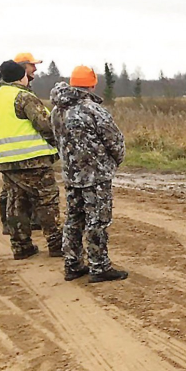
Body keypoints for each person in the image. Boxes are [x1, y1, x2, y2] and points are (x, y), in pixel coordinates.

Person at [50, 66, 128, 282]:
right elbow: (115, 141)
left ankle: (73, 264)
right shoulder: (93, 110)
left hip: (71, 175)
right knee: (98, 221)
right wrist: (113, 161)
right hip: (96, 176)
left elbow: (53, 138)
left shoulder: (57, 110)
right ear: (92, 84)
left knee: (74, 219)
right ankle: (99, 267)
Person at [0, 60, 62, 260]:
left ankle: (21, 246)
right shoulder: (24, 97)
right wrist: (58, 144)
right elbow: (45, 125)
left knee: (16, 202)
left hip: (6, 160)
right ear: (21, 77)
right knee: (47, 200)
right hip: (33, 159)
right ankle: (57, 245)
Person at [0, 52, 46, 234]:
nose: (35, 69)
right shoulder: (15, 92)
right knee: (11, 191)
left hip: (12, 150)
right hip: (16, 149)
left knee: (19, 190)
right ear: (22, 68)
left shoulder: (20, 89)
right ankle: (11, 225)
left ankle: (27, 222)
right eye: (32, 65)